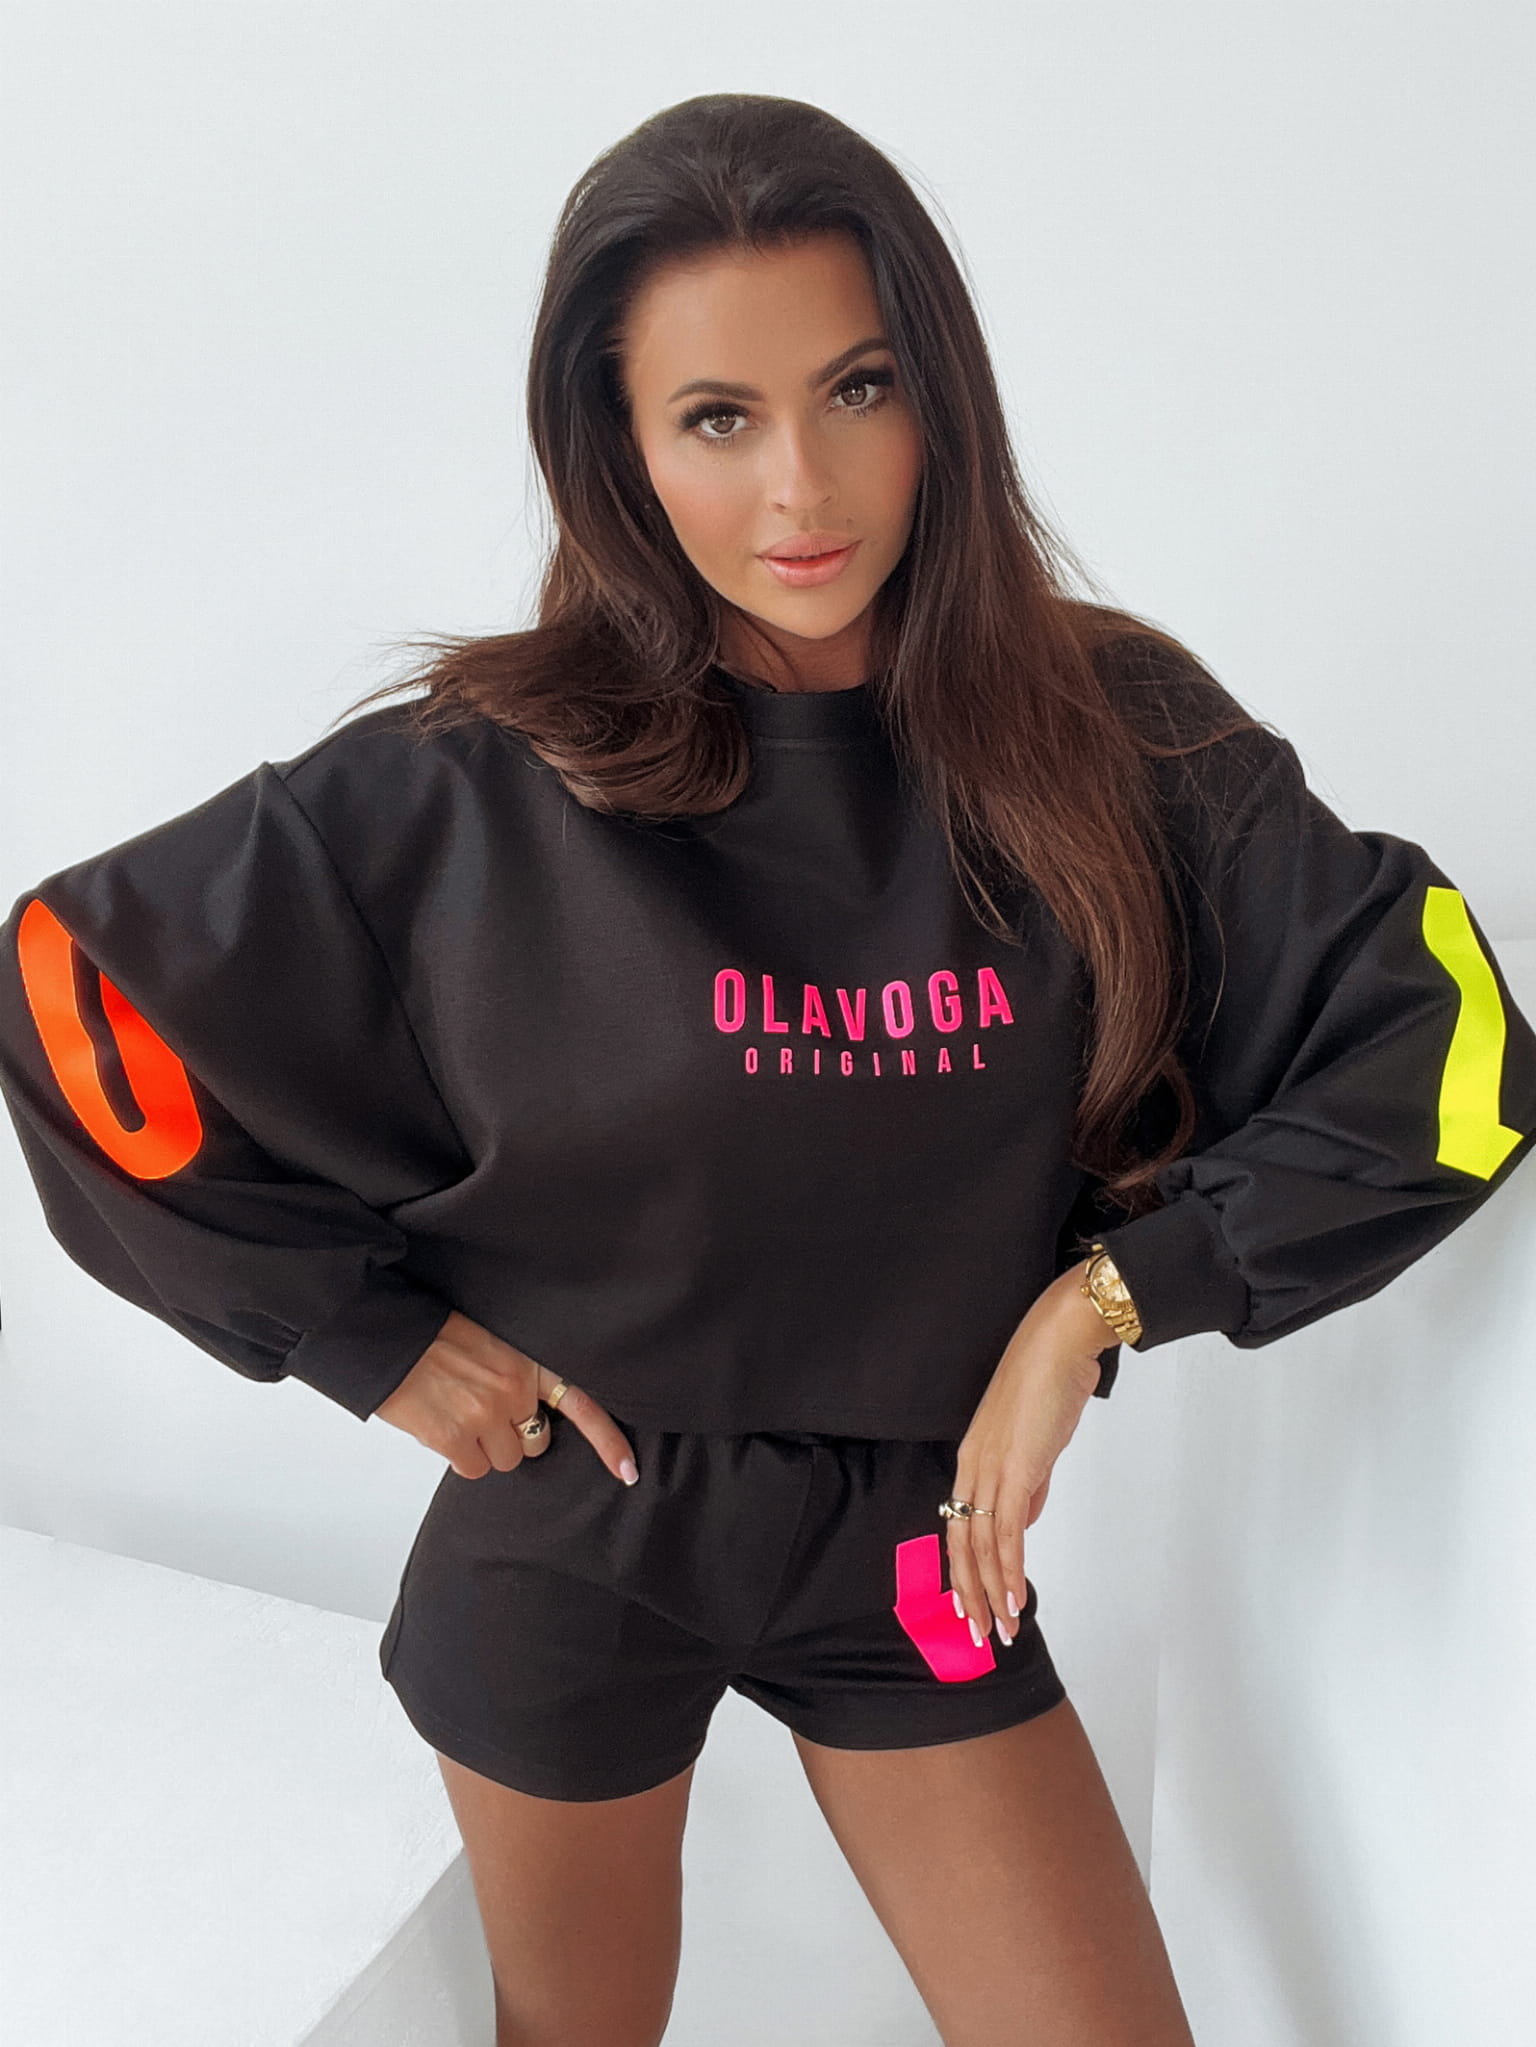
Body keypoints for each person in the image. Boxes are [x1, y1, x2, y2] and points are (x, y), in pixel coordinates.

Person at [2, 91, 1533, 2047]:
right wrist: (362, 1339)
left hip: (919, 1550)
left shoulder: (1111, 735)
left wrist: (1103, 1300)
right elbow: (71, 987)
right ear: (623, 451)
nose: (802, 487)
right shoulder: (488, 778)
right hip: (579, 1533)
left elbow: (1455, 1046)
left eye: (857, 389)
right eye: (717, 418)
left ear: (939, 400)